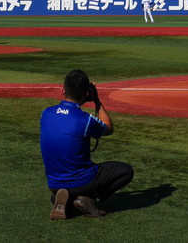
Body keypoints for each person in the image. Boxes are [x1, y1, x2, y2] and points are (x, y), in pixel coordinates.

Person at [40, 69, 134, 220]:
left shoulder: (46, 113)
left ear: (63, 90)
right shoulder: (84, 120)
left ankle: (66, 199)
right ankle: (87, 198)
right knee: (125, 171)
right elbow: (108, 128)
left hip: (53, 182)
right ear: (86, 94)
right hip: (81, 180)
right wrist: (96, 100)